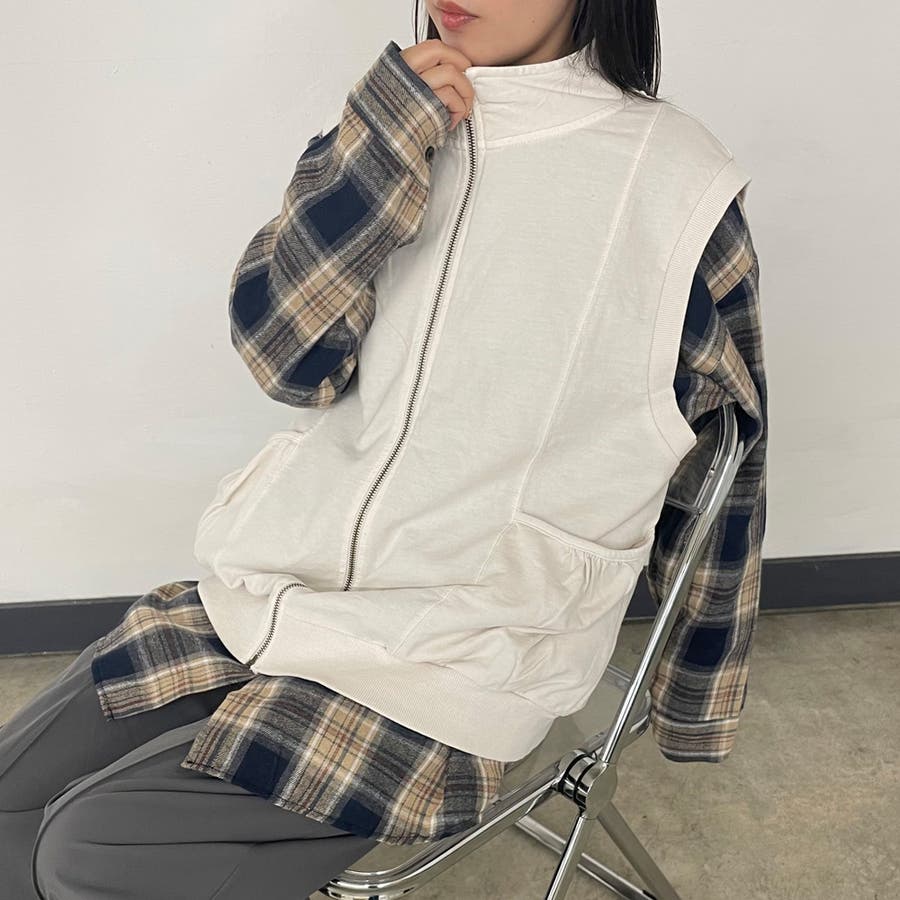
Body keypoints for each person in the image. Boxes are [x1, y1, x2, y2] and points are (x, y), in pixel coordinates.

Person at [0, 1, 767, 897]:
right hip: (275, 592)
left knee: (91, 853)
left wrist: (691, 697)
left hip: (462, 654)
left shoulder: (678, 189)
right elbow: (286, 360)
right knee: (10, 807)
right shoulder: (394, 119)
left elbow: (728, 467)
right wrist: (375, 155)